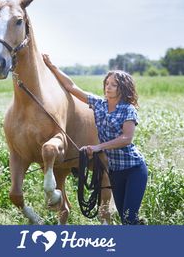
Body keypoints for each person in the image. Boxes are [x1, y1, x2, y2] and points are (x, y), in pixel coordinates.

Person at [42, 54, 148, 225]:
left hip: (134, 169)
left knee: (129, 217)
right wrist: (52, 66)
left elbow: (126, 139)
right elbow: (71, 86)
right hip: (115, 172)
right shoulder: (99, 104)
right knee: (125, 218)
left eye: (114, 85)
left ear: (123, 89)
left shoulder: (128, 110)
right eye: (107, 83)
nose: (109, 87)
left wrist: (99, 147)